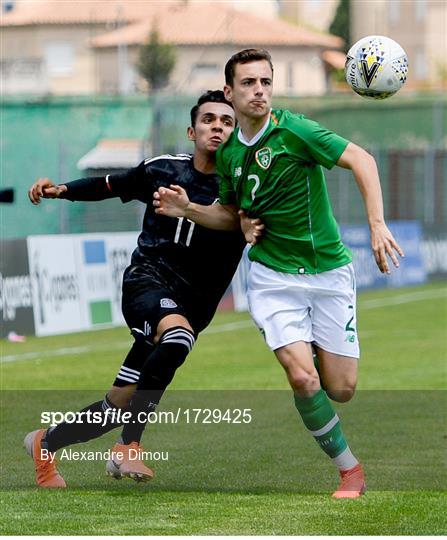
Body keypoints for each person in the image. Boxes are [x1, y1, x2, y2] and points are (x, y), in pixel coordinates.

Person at [153, 49, 404, 499]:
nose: (259, 91)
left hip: (328, 272)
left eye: (265, 82)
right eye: (248, 83)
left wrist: (377, 223)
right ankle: (350, 471)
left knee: (341, 389)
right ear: (230, 92)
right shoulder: (229, 154)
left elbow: (362, 160)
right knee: (303, 379)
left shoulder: (296, 131)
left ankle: (312, 349)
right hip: (272, 277)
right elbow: (231, 215)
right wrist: (189, 209)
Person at [25, 90, 262, 488]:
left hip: (194, 304)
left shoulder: (241, 189)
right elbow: (110, 184)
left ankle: (45, 443)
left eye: (226, 122)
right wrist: (61, 189)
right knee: (178, 336)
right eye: (208, 120)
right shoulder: (164, 169)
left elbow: (254, 225)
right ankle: (128, 448)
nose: (217, 127)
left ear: (236, 133)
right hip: (147, 282)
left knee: (117, 405)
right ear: (192, 130)